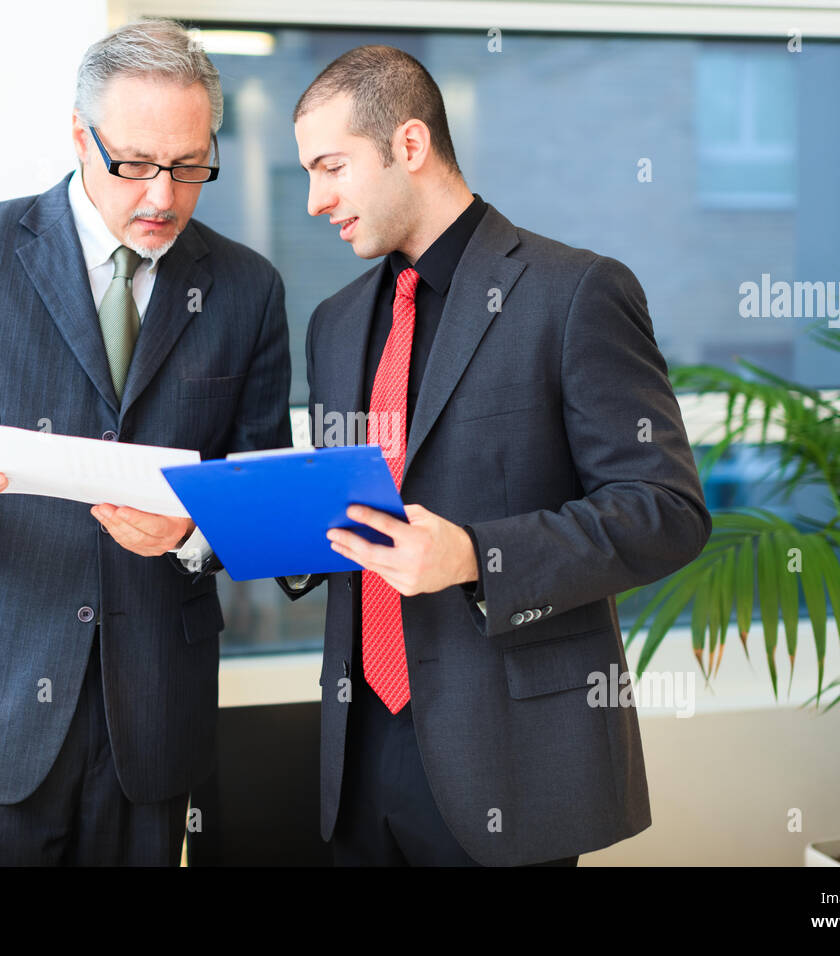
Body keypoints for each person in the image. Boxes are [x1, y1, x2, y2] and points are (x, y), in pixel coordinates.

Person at [0, 18, 291, 865]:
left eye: (190, 167)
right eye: (136, 165)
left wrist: (192, 531)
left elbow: (257, 492)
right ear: (80, 136)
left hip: (149, 724)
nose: (163, 197)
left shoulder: (247, 290)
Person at [279, 45, 711, 866]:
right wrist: (242, 524)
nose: (313, 200)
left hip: (509, 763)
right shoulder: (333, 323)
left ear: (410, 145)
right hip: (359, 754)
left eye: (330, 167)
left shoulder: (575, 292)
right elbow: (354, 509)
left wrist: (477, 556)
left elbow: (667, 512)